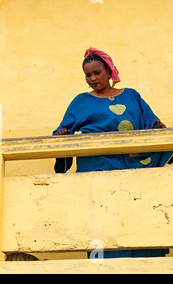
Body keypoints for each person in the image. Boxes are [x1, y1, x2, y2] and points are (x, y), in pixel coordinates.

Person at [53, 47, 172, 258]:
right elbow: (63, 130)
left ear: (109, 72)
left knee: (140, 212)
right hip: (98, 166)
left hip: (135, 163)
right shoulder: (81, 101)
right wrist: (63, 133)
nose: (92, 78)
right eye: (87, 75)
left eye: (96, 72)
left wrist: (156, 124)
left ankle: (147, 255)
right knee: (104, 218)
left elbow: (149, 121)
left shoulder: (131, 95)